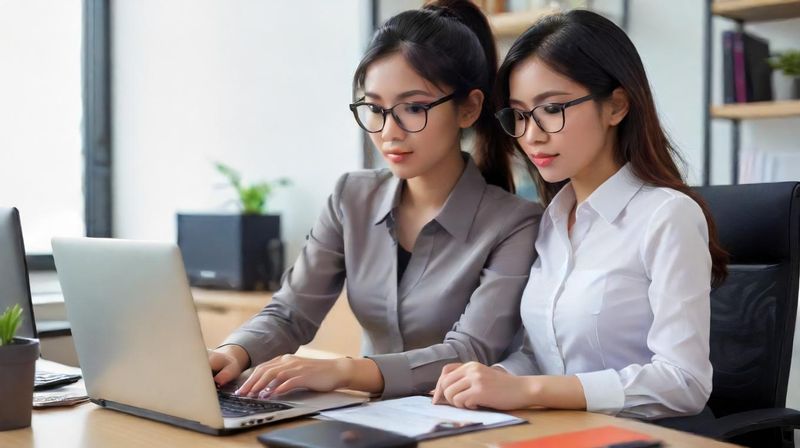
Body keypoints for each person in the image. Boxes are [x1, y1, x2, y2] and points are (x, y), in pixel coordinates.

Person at [209, 0, 542, 400]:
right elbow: (291, 313)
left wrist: (343, 370)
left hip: (468, 420)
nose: (389, 133)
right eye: (375, 108)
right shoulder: (352, 197)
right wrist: (234, 352)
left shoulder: (516, 223)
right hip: (366, 418)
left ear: (469, 108)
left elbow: (469, 351)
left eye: (414, 107)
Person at [433, 9, 727, 420]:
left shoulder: (667, 217)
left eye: (552, 109)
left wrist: (528, 389)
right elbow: (541, 357)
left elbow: (684, 383)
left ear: (617, 106)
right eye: (518, 115)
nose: (531, 135)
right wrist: (489, 378)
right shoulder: (550, 221)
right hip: (556, 432)